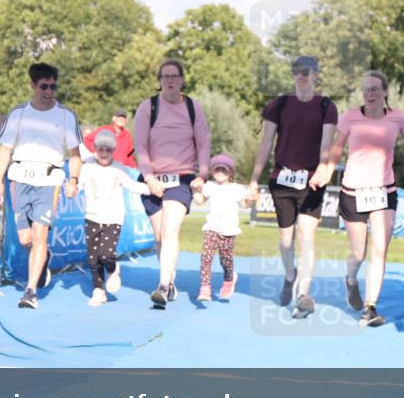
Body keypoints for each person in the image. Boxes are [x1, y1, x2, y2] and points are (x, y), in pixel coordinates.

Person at [313, 70, 404, 327]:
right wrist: (325, 170)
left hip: (384, 192)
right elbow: (337, 148)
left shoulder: (397, 117)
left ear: (385, 92)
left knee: (379, 250)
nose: (369, 94)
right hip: (353, 192)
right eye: (366, 89)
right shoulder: (350, 117)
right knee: (358, 253)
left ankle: (370, 307)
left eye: (374, 89)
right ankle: (351, 279)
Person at [248, 55, 337, 319]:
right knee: (286, 239)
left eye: (306, 71)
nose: (301, 76)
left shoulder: (326, 106)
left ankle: (303, 293)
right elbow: (265, 143)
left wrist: (323, 167)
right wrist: (254, 178)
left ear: (316, 74)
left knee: (306, 235)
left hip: (312, 180)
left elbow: (326, 143)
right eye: (297, 71)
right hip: (282, 179)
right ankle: (290, 274)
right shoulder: (279, 104)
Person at [0, 62, 82, 310]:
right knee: (25, 239)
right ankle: (43, 257)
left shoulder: (65, 116)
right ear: (33, 86)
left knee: (40, 234)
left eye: (53, 86)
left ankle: (30, 291)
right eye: (44, 86)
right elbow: (5, 150)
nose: (49, 91)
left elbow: (75, 154)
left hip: (49, 179)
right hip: (20, 178)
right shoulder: (18, 114)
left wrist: (73, 180)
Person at [133, 59, 211, 308]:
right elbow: (141, 146)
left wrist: (204, 173)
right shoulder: (149, 107)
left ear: (181, 80)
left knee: (169, 232)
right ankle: (170, 280)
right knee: (159, 236)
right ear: (159, 81)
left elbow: (204, 142)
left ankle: (163, 286)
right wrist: (149, 177)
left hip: (182, 178)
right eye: (165, 76)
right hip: (151, 178)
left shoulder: (192, 107)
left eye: (174, 76)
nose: (169, 80)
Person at [79, 129, 150, 307]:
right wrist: (71, 188)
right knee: (93, 258)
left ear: (113, 151)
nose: (104, 153)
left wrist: (152, 189)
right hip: (92, 217)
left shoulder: (118, 168)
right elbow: (78, 184)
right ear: (95, 148)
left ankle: (113, 268)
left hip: (113, 219)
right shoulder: (87, 166)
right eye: (101, 149)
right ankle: (98, 290)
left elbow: (132, 186)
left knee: (107, 254)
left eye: (108, 150)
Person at [193, 153, 248, 302]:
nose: (220, 173)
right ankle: (205, 288)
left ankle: (229, 279)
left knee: (226, 259)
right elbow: (199, 201)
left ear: (230, 172)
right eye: (217, 170)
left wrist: (252, 199)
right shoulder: (209, 187)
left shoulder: (237, 188)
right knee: (206, 256)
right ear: (211, 171)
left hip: (229, 231)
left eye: (224, 170)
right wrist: (195, 189)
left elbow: (245, 204)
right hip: (212, 228)